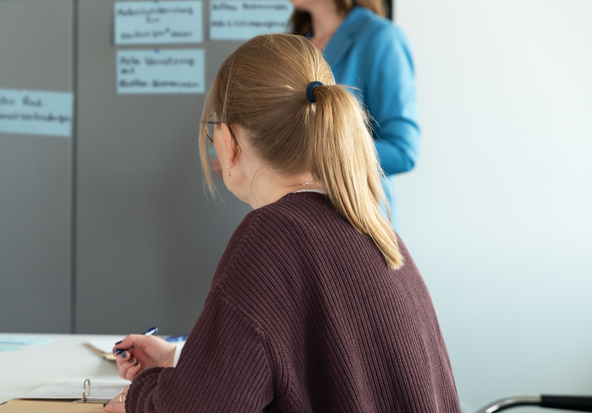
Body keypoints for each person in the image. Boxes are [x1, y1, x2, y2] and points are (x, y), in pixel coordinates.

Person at [104, 34, 459, 413]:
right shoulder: (374, 230)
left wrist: (135, 397)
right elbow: (312, 370)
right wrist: (182, 362)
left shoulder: (272, 236)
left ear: (227, 141)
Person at [291, 0, 420, 218]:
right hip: (298, 217)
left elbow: (403, 151)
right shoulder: (297, 44)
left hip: (355, 221)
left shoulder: (382, 37)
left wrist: (311, 158)